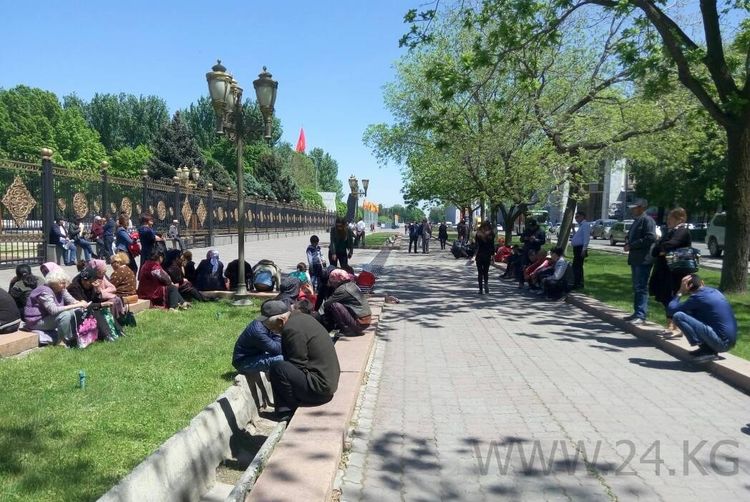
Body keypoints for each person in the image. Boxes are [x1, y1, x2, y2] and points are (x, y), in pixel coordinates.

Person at [264, 300, 340, 416]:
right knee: (281, 367)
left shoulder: (291, 329)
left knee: (278, 368)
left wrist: (274, 374)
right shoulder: (303, 318)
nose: (272, 331)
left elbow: (297, 364)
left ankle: (286, 412)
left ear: (281, 320)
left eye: (273, 328)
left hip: (319, 391)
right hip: (327, 384)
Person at [668, 274, 737, 361]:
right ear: (702, 283)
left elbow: (671, 310)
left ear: (689, 286)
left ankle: (707, 350)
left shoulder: (698, 297)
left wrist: (680, 291)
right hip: (729, 342)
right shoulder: (715, 291)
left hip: (721, 343)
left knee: (678, 316)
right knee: (689, 312)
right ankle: (706, 348)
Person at [649, 207, 693, 335]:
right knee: (664, 297)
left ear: (680, 219)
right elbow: (657, 248)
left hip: (674, 272)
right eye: (668, 218)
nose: (668, 221)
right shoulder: (670, 231)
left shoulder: (683, 231)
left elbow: (671, 244)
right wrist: (660, 249)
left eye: (671, 218)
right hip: (664, 271)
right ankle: (670, 325)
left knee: (671, 297)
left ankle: (675, 326)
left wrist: (662, 249)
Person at [24, 269, 87, 344]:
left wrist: (80, 303)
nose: (65, 285)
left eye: (65, 283)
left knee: (77, 311)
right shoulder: (45, 292)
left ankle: (77, 336)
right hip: (36, 321)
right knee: (66, 315)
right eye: (62, 283)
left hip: (49, 317)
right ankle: (62, 341)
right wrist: (76, 305)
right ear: (53, 283)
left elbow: (71, 301)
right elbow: (53, 310)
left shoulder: (61, 289)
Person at [623, 198, 657, 325]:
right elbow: (632, 236)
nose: (632, 210)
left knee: (641, 287)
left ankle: (641, 315)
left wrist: (632, 245)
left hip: (643, 259)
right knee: (636, 287)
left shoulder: (647, 220)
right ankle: (636, 312)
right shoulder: (637, 221)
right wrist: (628, 241)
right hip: (636, 259)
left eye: (635, 207)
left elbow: (650, 237)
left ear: (642, 208)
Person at [319, 269, 372, 336]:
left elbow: (327, 304)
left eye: (331, 281)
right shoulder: (352, 285)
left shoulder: (342, 289)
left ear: (336, 280)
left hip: (360, 323)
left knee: (334, 305)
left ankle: (346, 330)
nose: (331, 283)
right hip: (366, 321)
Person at [473, 221, 495, 294]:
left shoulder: (478, 234)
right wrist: (493, 255)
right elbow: (492, 245)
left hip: (480, 254)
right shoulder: (491, 234)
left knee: (480, 272)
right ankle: (486, 284)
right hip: (487, 254)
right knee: (486, 272)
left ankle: (480, 289)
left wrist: (474, 255)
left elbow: (476, 245)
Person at [570, 211, 591, 289]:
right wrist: (573, 228)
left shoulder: (585, 225)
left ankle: (578, 283)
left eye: (577, 217)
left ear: (582, 216)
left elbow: (586, 238)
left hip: (580, 248)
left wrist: (584, 249)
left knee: (577, 266)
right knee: (576, 266)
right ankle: (577, 282)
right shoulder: (581, 226)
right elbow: (576, 237)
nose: (576, 219)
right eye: (575, 217)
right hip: (577, 248)